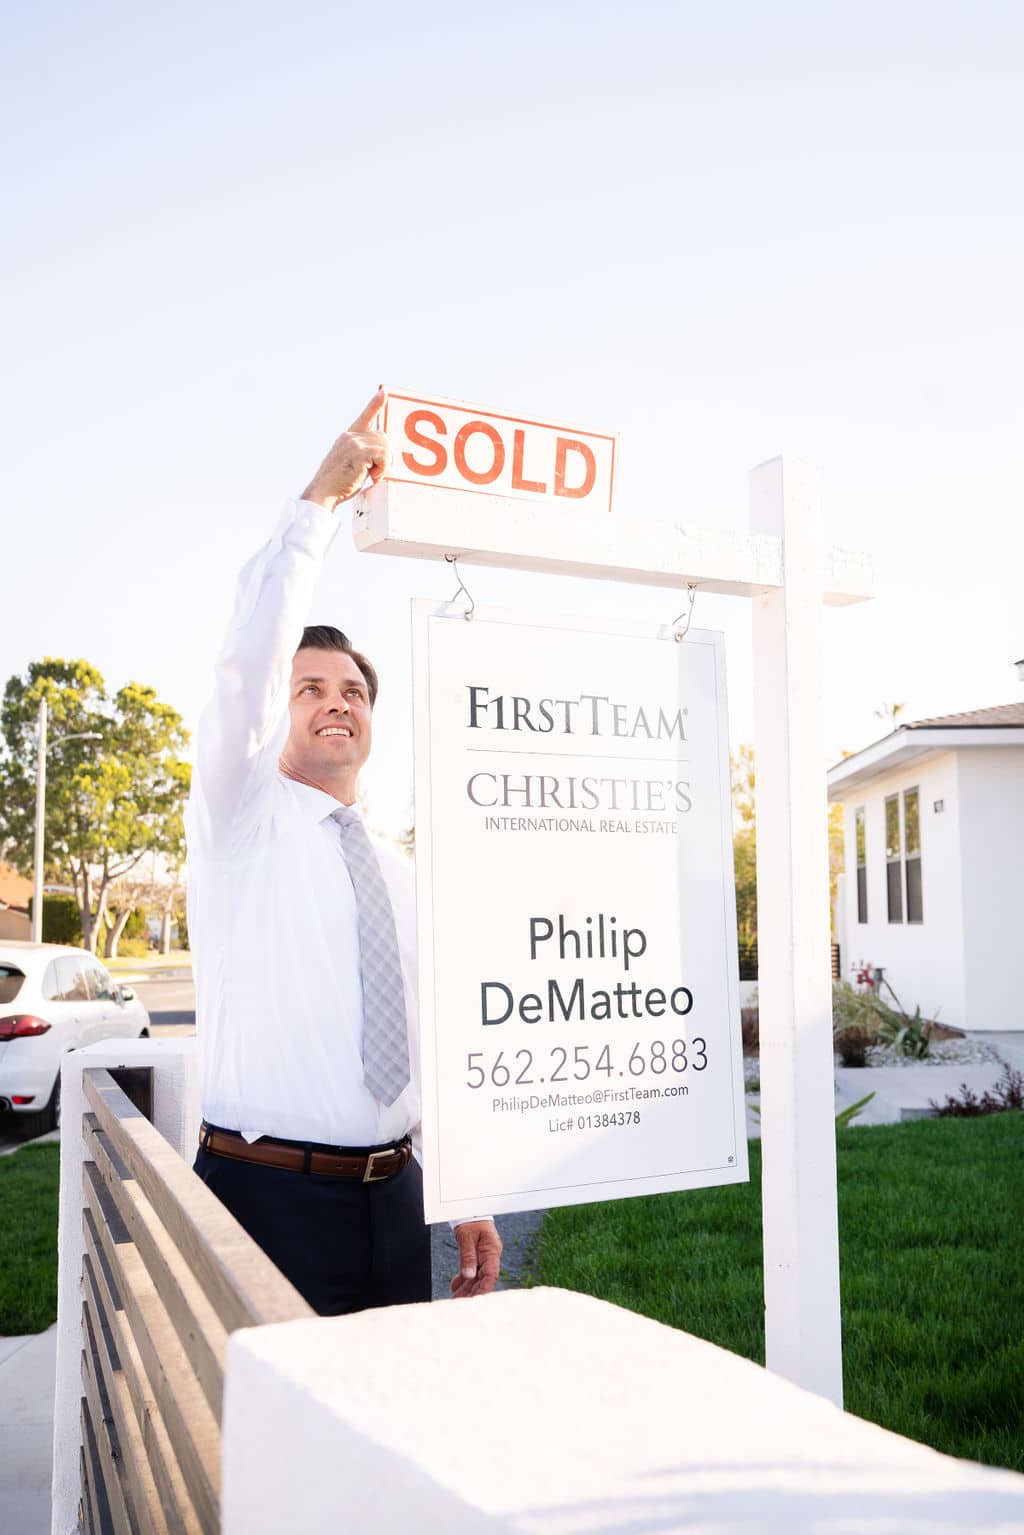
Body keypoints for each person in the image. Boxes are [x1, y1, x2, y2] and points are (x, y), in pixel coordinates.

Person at [186, 391, 502, 1314]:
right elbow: (246, 668)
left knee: (385, 1432)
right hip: (263, 1200)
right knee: (265, 1449)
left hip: (396, 1204)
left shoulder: (397, 870)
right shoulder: (239, 819)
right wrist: (317, 506)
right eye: (310, 687)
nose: (336, 700)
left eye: (354, 689)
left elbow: (425, 1035)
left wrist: (460, 1186)